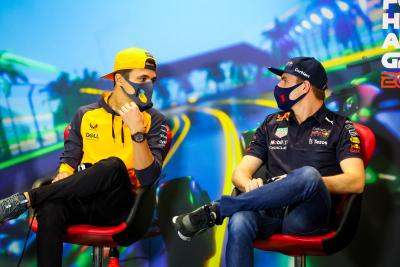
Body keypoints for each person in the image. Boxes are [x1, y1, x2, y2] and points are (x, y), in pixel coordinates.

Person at [172, 57, 365, 267]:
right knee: (239, 221)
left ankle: (219, 209)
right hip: (269, 211)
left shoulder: (341, 126)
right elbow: (240, 173)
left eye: (284, 80)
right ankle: (225, 210)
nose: (278, 86)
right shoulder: (271, 123)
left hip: (306, 216)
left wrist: (306, 181)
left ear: (304, 87)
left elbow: (356, 181)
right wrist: (248, 184)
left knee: (308, 174)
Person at [0, 47, 168, 267]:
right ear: (120, 79)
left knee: (114, 166)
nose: (148, 85)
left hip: (125, 206)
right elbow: (69, 160)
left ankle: (27, 198)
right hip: (85, 200)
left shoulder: (154, 120)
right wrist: (64, 174)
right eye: (142, 78)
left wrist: (137, 132)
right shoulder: (85, 114)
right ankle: (34, 200)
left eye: (152, 80)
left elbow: (147, 178)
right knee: (51, 208)